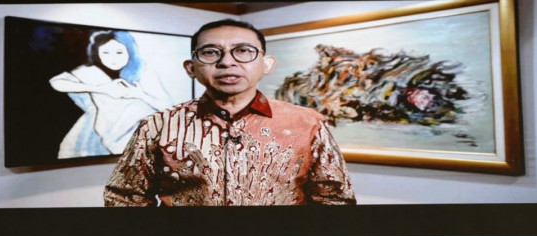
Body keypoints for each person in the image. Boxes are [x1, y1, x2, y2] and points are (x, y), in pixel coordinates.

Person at [104, 19, 356, 206]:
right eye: (211, 52)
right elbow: (125, 199)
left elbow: (335, 200)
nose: (227, 62)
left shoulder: (308, 123)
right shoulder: (158, 125)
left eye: (244, 51)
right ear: (191, 68)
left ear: (266, 64)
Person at [50, 30, 172, 158]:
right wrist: (101, 88)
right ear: (97, 53)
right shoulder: (90, 72)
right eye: (105, 52)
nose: (112, 58)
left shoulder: (144, 72)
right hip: (111, 132)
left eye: (119, 52)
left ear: (130, 51)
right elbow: (56, 82)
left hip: (144, 129)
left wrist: (139, 94)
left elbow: (168, 106)